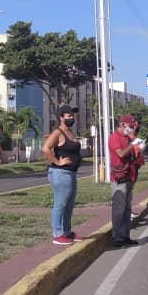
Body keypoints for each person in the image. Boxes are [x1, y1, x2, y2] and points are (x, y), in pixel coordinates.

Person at [42, 105, 83, 245]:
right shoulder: (58, 133)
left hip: (71, 173)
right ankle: (57, 234)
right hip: (61, 173)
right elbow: (45, 148)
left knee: (69, 205)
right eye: (68, 115)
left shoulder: (70, 132)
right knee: (60, 203)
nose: (71, 117)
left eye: (72, 115)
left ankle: (67, 232)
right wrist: (57, 162)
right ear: (61, 117)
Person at [109, 114, 143, 248]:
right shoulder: (114, 137)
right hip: (119, 177)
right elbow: (121, 154)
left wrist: (138, 150)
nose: (133, 129)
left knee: (127, 209)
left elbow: (131, 156)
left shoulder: (128, 138)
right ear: (123, 125)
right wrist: (133, 145)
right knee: (119, 208)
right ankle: (117, 236)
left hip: (130, 175)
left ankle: (125, 235)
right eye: (131, 126)